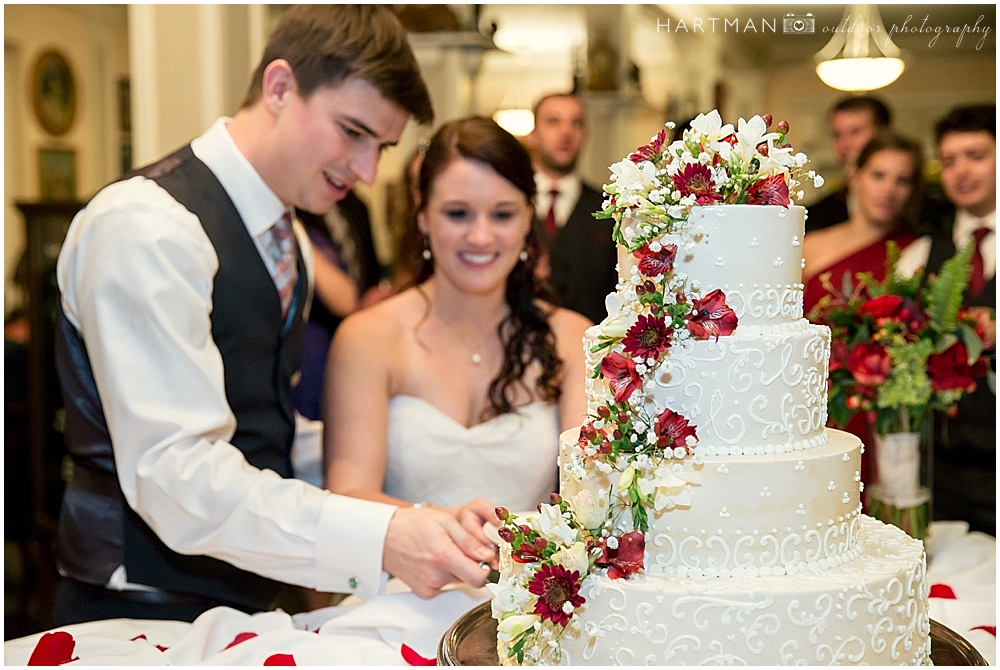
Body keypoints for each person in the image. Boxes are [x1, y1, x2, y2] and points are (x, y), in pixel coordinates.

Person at [50, 5, 498, 627]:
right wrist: (380, 535)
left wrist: (420, 511)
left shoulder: (288, 240)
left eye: (383, 147)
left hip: (248, 605)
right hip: (138, 611)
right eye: (353, 132)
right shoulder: (148, 226)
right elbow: (177, 476)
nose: (368, 172)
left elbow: (266, 428)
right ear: (280, 87)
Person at [323, 116, 591, 516]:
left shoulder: (571, 338)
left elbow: (590, 499)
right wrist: (455, 527)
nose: (480, 237)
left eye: (502, 214)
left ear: (527, 221)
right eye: (458, 213)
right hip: (400, 575)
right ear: (423, 216)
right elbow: (349, 499)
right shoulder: (368, 337)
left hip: (535, 576)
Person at [896, 104, 996, 535]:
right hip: (940, 468)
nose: (961, 172)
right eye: (949, 160)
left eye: (976, 156)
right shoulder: (918, 257)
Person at [803, 131, 924, 315]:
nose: (889, 190)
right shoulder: (810, 246)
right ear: (855, 179)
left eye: (902, 180)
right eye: (878, 175)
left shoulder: (917, 253)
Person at [526, 92, 615, 325]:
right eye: (553, 122)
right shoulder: (509, 205)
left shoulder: (611, 208)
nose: (566, 132)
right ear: (532, 135)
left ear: (585, 134)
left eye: (575, 123)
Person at [806, 96, 892, 232]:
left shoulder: (921, 211)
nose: (845, 144)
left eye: (855, 132)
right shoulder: (817, 215)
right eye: (837, 135)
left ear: (884, 134)